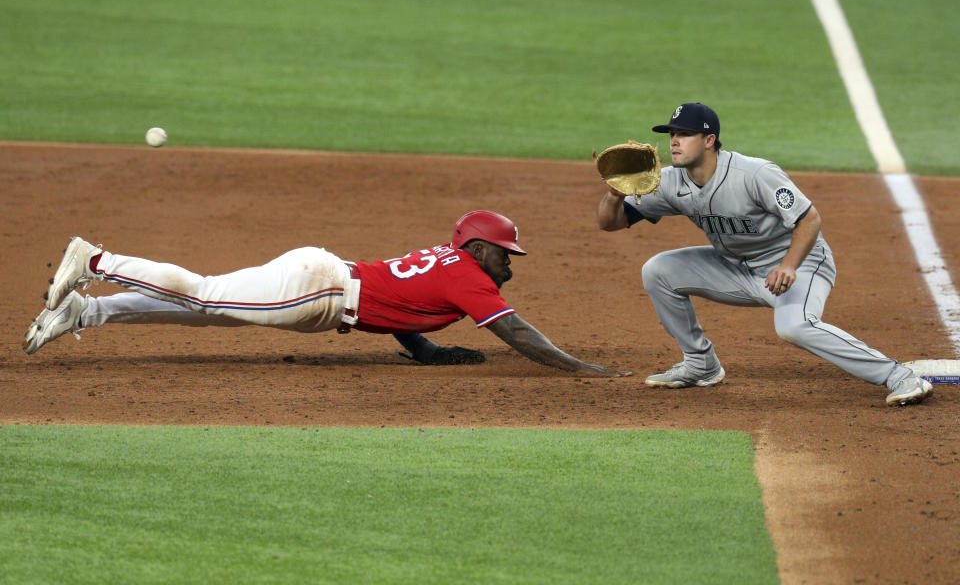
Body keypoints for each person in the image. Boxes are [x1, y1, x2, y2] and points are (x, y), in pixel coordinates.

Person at [596, 102, 932, 406]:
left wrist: (788, 266)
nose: (674, 141)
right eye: (672, 134)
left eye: (685, 134)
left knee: (795, 327)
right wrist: (613, 195)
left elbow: (808, 218)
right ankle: (701, 365)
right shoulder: (670, 182)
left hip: (800, 264)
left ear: (709, 140)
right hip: (737, 268)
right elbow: (610, 224)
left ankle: (899, 377)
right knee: (659, 270)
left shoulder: (754, 174)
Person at [24, 211, 630, 378]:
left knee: (204, 312)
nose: (509, 266)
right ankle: (97, 260)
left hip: (323, 288)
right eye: (505, 254)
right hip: (319, 291)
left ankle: (88, 309)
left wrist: (424, 351)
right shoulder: (469, 276)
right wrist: (580, 369)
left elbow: (403, 305)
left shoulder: (448, 263)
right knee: (206, 296)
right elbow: (516, 332)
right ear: (477, 249)